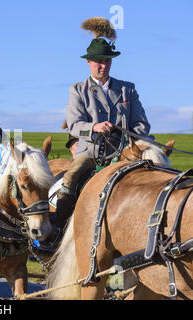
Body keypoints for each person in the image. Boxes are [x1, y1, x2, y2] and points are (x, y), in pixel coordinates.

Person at [55, 17, 151, 232]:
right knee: (71, 176)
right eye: (98, 61)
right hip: (90, 154)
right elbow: (74, 126)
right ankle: (56, 230)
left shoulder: (128, 89)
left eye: (107, 60)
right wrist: (94, 128)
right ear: (88, 62)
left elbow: (142, 124)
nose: (103, 65)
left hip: (125, 153)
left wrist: (130, 139)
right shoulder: (78, 89)